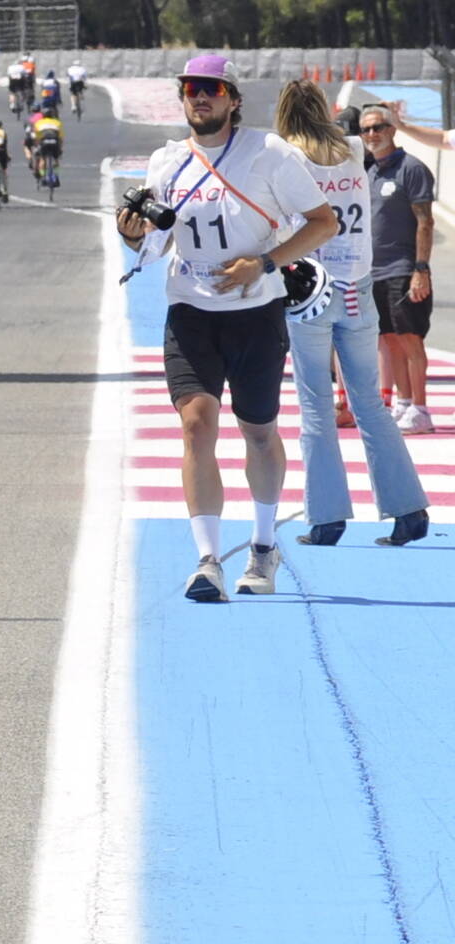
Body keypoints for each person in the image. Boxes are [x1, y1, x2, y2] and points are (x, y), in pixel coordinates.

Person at [119, 55, 339, 603]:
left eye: (211, 89)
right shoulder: (167, 161)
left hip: (254, 312)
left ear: (232, 98)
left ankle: (264, 546)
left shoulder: (268, 153)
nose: (200, 98)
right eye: (191, 89)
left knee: (258, 430)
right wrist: (132, 235)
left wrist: (265, 264)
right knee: (196, 424)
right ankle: (207, 559)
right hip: (190, 310)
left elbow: (323, 222)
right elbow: (157, 240)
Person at [270, 83, 426, 547]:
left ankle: (326, 517)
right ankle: (408, 509)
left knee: (315, 405)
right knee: (370, 403)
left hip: (309, 290)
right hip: (359, 286)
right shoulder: (355, 148)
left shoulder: (283, 155)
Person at [358, 105, 438, 433]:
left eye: (378, 127)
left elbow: (425, 222)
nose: (372, 135)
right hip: (374, 271)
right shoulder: (370, 172)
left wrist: (421, 268)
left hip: (404, 269)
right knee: (389, 340)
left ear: (392, 129)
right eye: (366, 130)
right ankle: (403, 402)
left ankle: (420, 408)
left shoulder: (412, 169)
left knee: (410, 339)